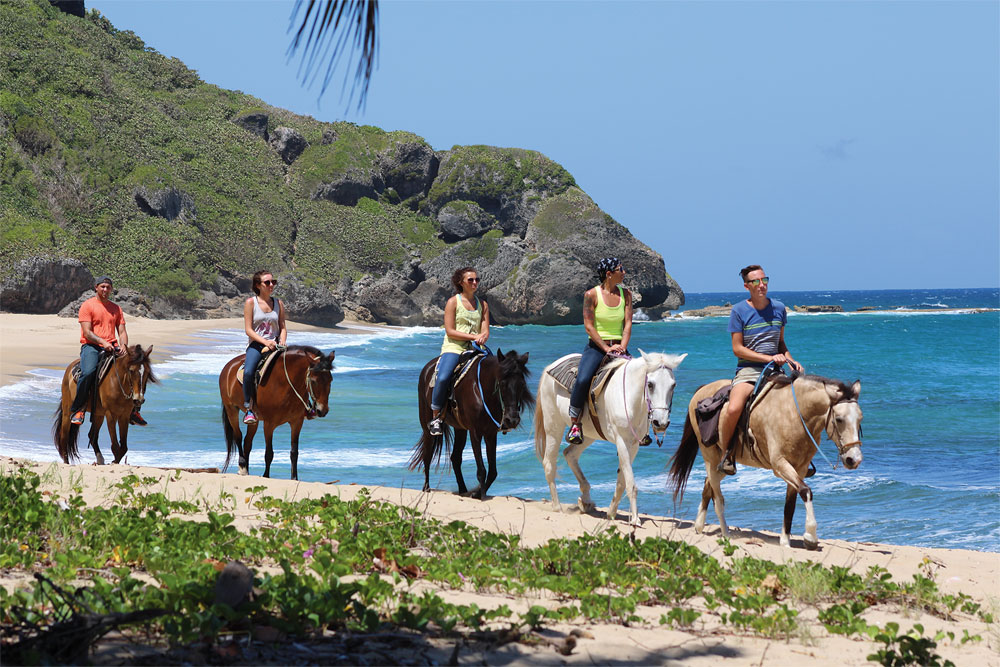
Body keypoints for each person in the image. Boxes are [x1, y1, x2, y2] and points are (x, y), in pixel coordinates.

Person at [717, 264, 804, 475]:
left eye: (764, 280)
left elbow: (781, 344)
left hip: (775, 370)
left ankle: (802, 455)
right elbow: (738, 349)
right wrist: (768, 357)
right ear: (747, 286)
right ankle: (727, 453)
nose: (761, 285)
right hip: (749, 370)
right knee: (734, 408)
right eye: (755, 282)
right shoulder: (739, 311)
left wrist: (792, 361)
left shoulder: (779, 308)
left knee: (803, 403)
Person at [565, 257, 633, 445]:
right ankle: (575, 424)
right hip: (597, 347)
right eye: (621, 269)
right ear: (609, 274)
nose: (624, 272)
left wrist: (623, 347)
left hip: (619, 347)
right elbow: (589, 326)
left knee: (641, 376)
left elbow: (627, 324)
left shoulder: (626, 294)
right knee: (583, 378)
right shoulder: (591, 295)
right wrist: (606, 348)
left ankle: (642, 425)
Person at [69, 276, 146, 426]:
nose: (105, 289)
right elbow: (87, 332)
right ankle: (79, 408)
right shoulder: (87, 306)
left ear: (111, 289)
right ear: (96, 287)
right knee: (88, 372)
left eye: (108, 287)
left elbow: (122, 331)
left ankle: (134, 411)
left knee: (136, 370)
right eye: (102, 286)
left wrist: (123, 345)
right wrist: (103, 342)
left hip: (113, 347)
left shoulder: (116, 308)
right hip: (91, 346)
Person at [428, 266, 490, 436]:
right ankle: (436, 417)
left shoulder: (483, 304)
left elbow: (485, 330)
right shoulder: (453, 302)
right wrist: (473, 337)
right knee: (443, 377)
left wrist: (482, 337)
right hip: (454, 347)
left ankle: (500, 416)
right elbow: (450, 331)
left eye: (477, 279)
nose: (475, 282)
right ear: (460, 282)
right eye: (471, 280)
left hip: (476, 349)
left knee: (501, 374)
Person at [242, 270, 287, 425]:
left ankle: (306, 406)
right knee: (248, 372)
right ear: (258, 285)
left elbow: (282, 327)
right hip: (257, 345)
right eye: (267, 282)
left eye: (273, 282)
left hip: (276, 344)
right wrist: (265, 342)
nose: (271, 285)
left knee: (300, 367)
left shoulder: (278, 303)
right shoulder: (250, 303)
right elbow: (248, 330)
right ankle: (249, 408)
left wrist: (282, 341)